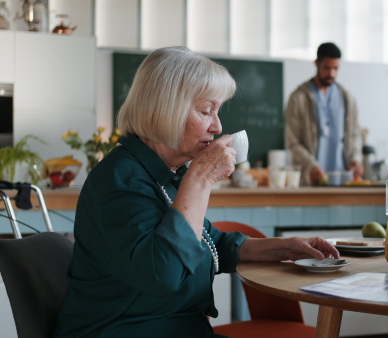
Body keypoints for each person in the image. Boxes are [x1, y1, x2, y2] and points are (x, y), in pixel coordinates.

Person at [54, 46, 339, 338]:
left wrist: (286, 248)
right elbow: (164, 272)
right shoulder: (120, 180)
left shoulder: (163, 174)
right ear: (166, 109)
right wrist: (201, 178)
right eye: (206, 111)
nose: (217, 125)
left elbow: (208, 242)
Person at [285, 42, 363, 185]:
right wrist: (311, 165)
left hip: (343, 181)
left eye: (336, 68)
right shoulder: (298, 98)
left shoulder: (347, 98)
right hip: (311, 181)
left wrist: (356, 159)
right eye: (327, 67)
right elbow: (293, 142)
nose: (331, 73)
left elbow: (355, 135)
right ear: (317, 63)